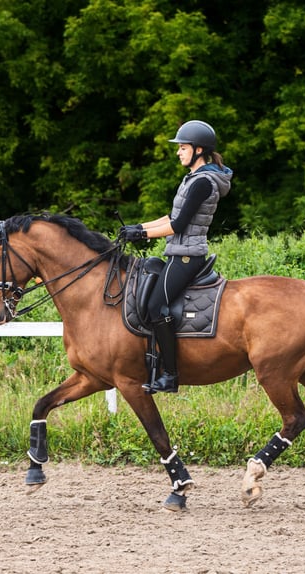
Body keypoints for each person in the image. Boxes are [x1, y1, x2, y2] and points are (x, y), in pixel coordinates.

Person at [120, 120, 233, 394]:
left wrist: (144, 236)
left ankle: (170, 374)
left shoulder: (203, 183)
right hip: (177, 253)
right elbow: (170, 217)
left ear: (198, 150)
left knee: (157, 305)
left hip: (187, 257)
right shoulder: (192, 179)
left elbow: (178, 225)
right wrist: (139, 227)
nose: (178, 152)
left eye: (182, 148)